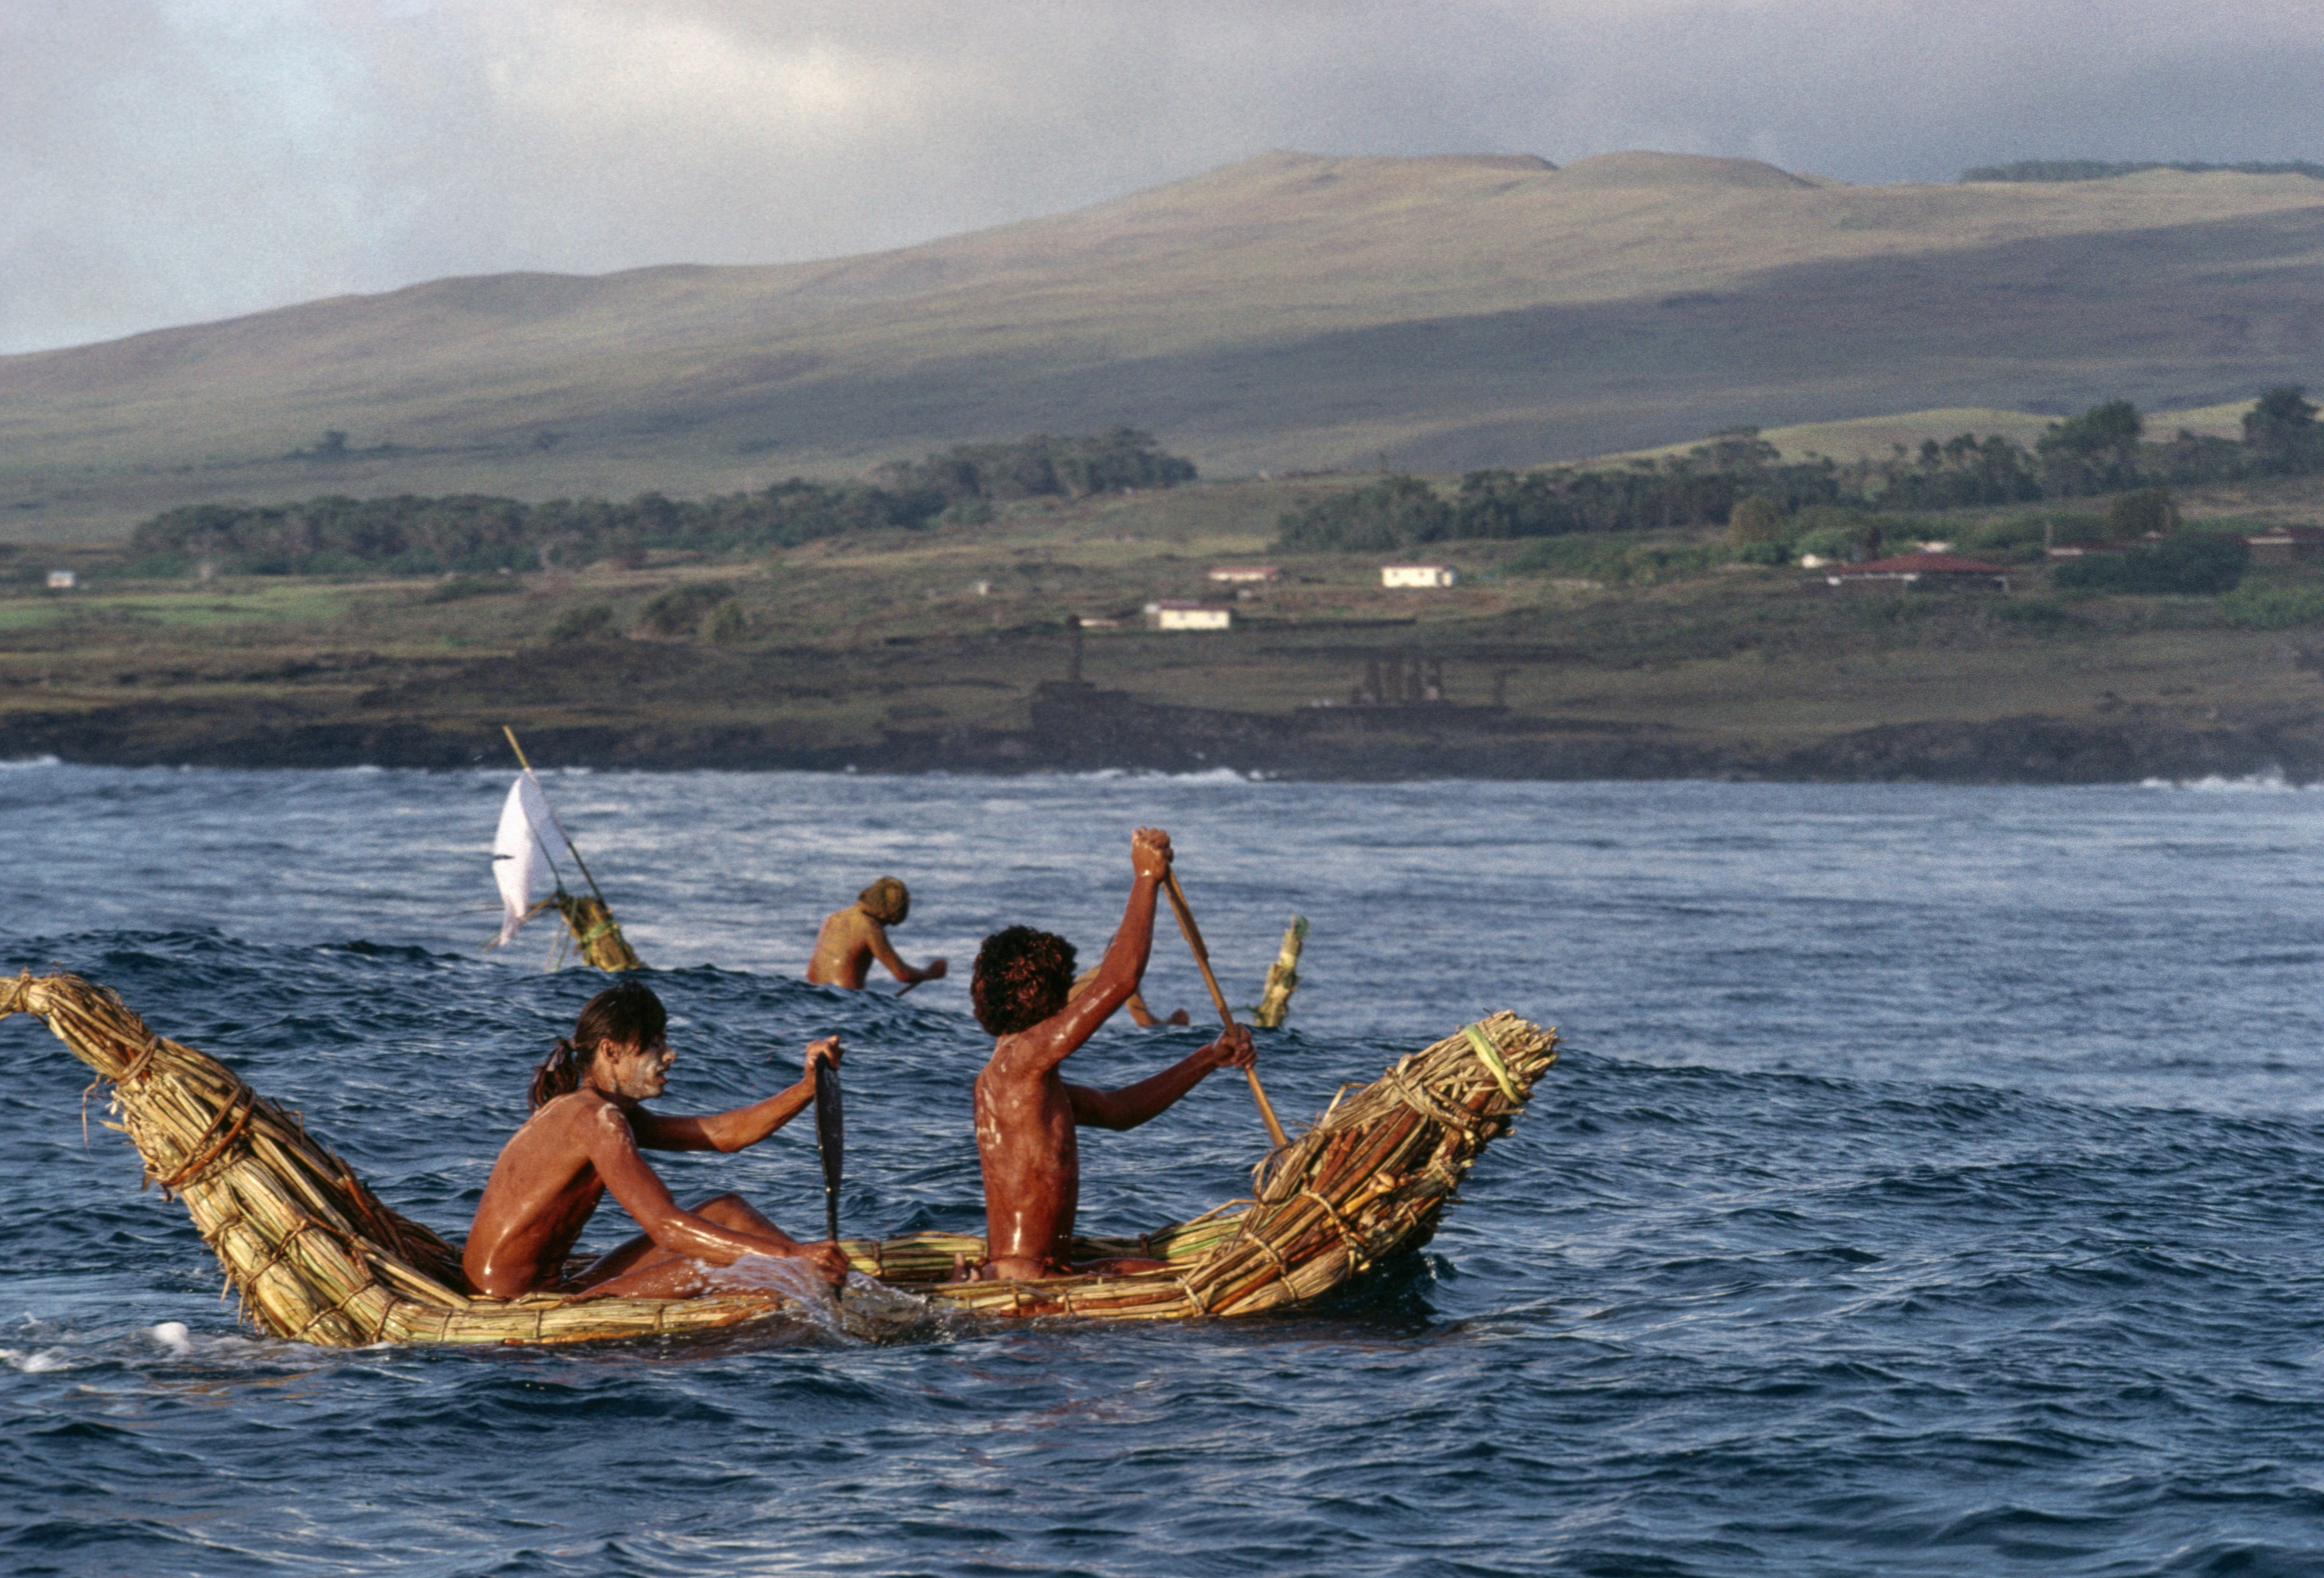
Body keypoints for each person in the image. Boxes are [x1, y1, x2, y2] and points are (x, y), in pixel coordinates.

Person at [961, 826, 1256, 1282]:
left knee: (1169, 1270)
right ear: (1048, 1000)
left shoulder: (1020, 1082)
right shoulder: (1024, 1058)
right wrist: (1145, 877)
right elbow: (1119, 981)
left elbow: (1118, 1112)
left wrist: (1208, 1059)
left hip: (1039, 1270)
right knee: (1200, 1282)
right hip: (1032, 1279)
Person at [463, 980, 850, 1299]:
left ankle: (827, 1286)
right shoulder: (594, 1118)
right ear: (610, 1051)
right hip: (512, 1301)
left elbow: (725, 1135)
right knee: (734, 1262)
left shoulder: (607, 1113)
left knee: (728, 1210)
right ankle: (824, 1289)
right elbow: (665, 1227)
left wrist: (807, 1088)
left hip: (555, 1287)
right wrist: (791, 1255)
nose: (670, 1055)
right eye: (654, 1044)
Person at [806, 876, 948, 991]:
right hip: (845, 1002)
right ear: (885, 914)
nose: (884, 927)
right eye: (888, 923)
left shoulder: (834, 918)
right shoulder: (870, 927)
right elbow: (902, 974)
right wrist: (931, 973)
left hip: (814, 995)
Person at [1069, 965, 1189, 1027]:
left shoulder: (1097, 972)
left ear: (1106, 952)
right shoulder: (1122, 971)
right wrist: (1171, 1028)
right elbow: (1144, 1022)